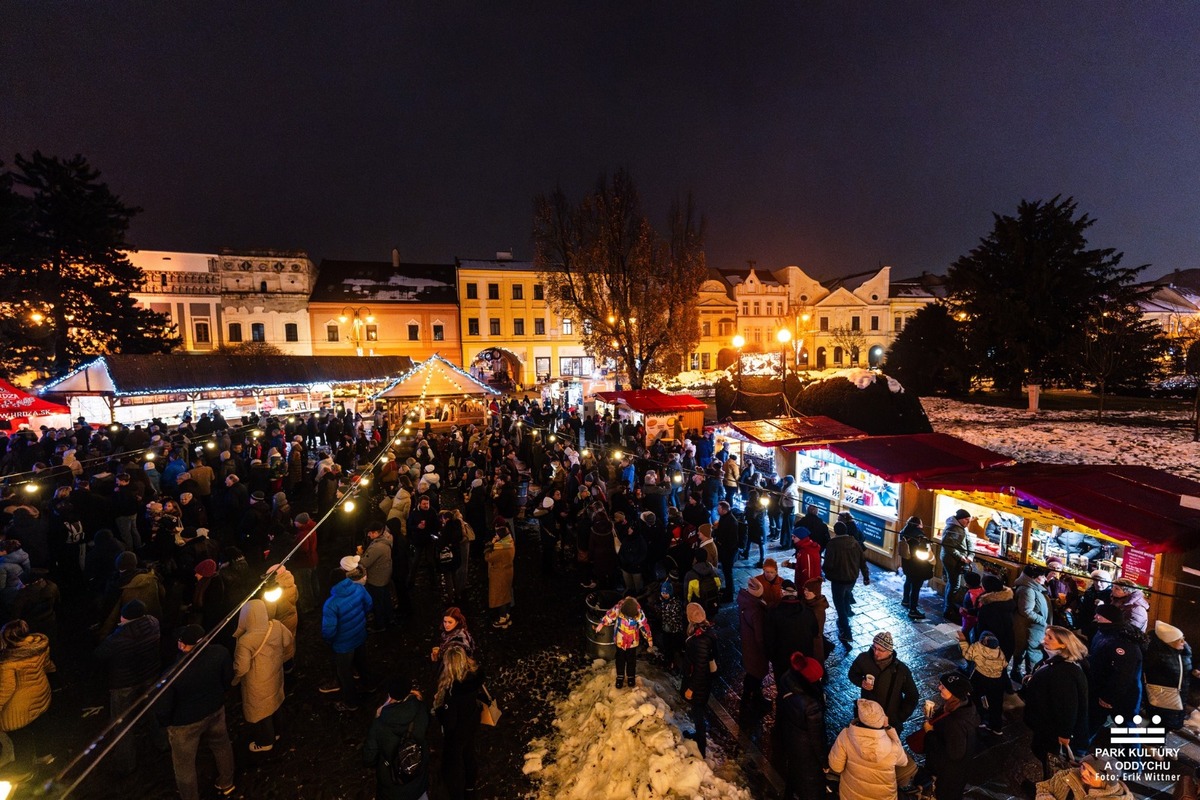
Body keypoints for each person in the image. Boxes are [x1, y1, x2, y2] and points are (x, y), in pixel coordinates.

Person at [156, 624, 237, 800]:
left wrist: (165, 722)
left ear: (182, 644)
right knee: (222, 746)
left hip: (185, 724)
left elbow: (164, 706)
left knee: (184, 765)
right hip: (215, 710)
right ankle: (227, 782)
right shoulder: (220, 652)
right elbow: (228, 678)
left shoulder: (174, 672)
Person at [94, 599, 163, 775]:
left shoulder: (118, 638)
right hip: (150, 675)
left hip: (124, 683)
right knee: (153, 711)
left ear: (127, 617)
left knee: (122, 722)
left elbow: (99, 655)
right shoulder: (153, 623)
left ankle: (126, 763)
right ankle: (162, 742)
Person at [1022, 626, 1090, 778]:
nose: (1044, 639)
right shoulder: (1055, 661)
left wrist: (1064, 733)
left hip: (1052, 729)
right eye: (1046, 635)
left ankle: (1052, 785)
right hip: (1045, 723)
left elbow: (1067, 706)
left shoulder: (1064, 673)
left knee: (1051, 760)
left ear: (1063, 644)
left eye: (1050, 637)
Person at [233, 598, 293, 752]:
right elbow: (288, 640)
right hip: (275, 674)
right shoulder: (276, 626)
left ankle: (265, 741)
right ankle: (278, 731)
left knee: (261, 712)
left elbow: (242, 668)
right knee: (275, 702)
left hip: (257, 682)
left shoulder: (246, 641)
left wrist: (234, 677)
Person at [363, 675, 432, 800]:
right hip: (418, 777)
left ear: (390, 694)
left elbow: (369, 757)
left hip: (392, 785)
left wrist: (378, 716)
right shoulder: (421, 709)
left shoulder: (380, 724)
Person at [828, 698, 908, 800]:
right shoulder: (893, 747)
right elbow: (903, 762)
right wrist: (889, 729)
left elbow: (836, 767)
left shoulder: (846, 736)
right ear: (883, 719)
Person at [1087, 603, 1145, 743]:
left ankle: (1134, 757)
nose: (1095, 616)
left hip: (1122, 696)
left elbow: (1122, 675)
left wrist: (1108, 697)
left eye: (1099, 614)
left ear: (1108, 618)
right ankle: (1079, 750)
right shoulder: (1104, 632)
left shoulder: (1122, 642)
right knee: (1093, 721)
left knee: (1126, 727)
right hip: (1101, 689)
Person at [0, 620, 51, 776]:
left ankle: (24, 768)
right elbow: (47, 665)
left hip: (20, 705)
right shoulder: (39, 646)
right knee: (36, 725)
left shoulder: (8, 662)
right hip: (41, 693)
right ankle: (45, 755)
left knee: (19, 732)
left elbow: (6, 689)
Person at [774, 653, 827, 800]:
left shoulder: (787, 679)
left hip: (791, 739)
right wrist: (824, 762)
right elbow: (817, 738)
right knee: (810, 787)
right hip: (806, 750)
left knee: (793, 774)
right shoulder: (811, 706)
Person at [434, 645, 485, 800]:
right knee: (469, 754)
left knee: (452, 765)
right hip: (472, 721)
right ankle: (470, 788)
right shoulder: (474, 677)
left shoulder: (452, 692)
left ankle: (457, 795)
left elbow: (449, 722)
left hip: (457, 732)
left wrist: (438, 710)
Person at [321, 565, 373, 712]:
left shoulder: (331, 604)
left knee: (344, 673)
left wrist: (329, 640)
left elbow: (329, 630)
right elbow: (369, 604)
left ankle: (351, 702)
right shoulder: (358, 588)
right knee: (362, 663)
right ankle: (369, 685)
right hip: (360, 634)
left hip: (343, 644)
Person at [846, 632, 919, 732]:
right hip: (867, 716)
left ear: (890, 651)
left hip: (889, 721)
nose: (876, 653)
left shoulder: (901, 670)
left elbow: (912, 695)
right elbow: (852, 674)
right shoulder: (863, 659)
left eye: (880, 650)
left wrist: (900, 717)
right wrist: (861, 682)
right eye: (874, 647)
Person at [923, 672, 979, 800]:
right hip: (955, 772)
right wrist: (933, 716)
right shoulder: (961, 704)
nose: (939, 688)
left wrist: (930, 733)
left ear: (954, 693)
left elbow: (954, 754)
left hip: (949, 775)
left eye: (943, 687)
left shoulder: (955, 723)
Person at [682, 602, 717, 757]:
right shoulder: (707, 631)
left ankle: (701, 746)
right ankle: (698, 735)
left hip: (699, 684)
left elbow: (700, 669)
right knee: (698, 710)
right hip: (704, 681)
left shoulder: (698, 640)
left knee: (698, 713)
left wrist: (691, 688)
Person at [1144, 620, 1194, 730]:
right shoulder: (1156, 656)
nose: (1184, 642)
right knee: (1161, 724)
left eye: (1183, 638)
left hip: (1178, 696)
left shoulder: (1183, 653)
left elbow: (1184, 670)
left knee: (1167, 724)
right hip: (1163, 696)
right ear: (1169, 642)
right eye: (1179, 639)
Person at [822, 520, 867, 643]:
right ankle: (846, 616)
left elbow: (828, 564)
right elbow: (862, 561)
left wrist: (826, 573)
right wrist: (866, 576)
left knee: (839, 605)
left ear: (835, 531)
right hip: (852, 579)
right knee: (846, 597)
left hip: (838, 580)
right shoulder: (855, 543)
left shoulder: (832, 544)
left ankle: (846, 632)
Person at [595, 596, 654, 689]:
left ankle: (631, 676)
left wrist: (649, 638)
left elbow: (644, 625)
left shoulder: (639, 613)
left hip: (632, 642)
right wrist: (602, 623)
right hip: (620, 640)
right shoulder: (618, 608)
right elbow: (609, 616)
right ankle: (620, 676)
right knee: (620, 659)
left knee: (631, 660)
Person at [958, 630, 1008, 735]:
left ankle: (981, 720)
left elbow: (967, 654)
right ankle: (996, 727)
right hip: (996, 681)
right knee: (996, 703)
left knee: (975, 698)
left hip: (980, 678)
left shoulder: (978, 647)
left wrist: (962, 641)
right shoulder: (999, 651)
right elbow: (1004, 664)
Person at [1013, 565, 1052, 683]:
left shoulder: (1033, 587)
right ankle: (1030, 679)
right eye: (1042, 576)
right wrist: (1043, 621)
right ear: (1034, 577)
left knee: (1025, 651)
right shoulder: (1028, 590)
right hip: (1030, 627)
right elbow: (1026, 611)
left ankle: (1020, 674)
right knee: (1033, 653)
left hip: (1032, 627)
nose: (1044, 578)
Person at [1034, 753, 1133, 800]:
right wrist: (1045, 797)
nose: (1083, 773)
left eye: (1091, 773)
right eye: (1083, 767)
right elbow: (1043, 786)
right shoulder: (1068, 775)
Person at [736, 578, 769, 706]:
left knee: (751, 672)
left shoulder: (745, 601)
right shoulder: (756, 611)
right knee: (756, 673)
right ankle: (753, 698)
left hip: (748, 643)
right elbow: (760, 636)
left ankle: (750, 696)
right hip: (755, 648)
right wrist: (766, 649)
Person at [360, 520, 395, 632]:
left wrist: (360, 555)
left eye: (370, 532)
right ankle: (390, 618)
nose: (368, 535)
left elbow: (365, 563)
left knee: (377, 603)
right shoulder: (386, 540)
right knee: (386, 599)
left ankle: (380, 625)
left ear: (376, 533)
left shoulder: (377, 547)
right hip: (385, 576)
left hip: (376, 579)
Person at [974, 574, 1016, 664]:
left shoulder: (989, 608)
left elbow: (983, 628)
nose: (981, 587)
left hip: (993, 645)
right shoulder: (1007, 601)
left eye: (983, 585)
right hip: (1008, 642)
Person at [899, 516, 935, 619]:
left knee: (908, 581)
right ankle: (913, 610)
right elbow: (924, 553)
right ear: (919, 525)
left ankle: (906, 600)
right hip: (917, 566)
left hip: (907, 564)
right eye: (921, 523)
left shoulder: (904, 532)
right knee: (916, 588)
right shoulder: (919, 537)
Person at [940, 509, 973, 621]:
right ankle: (948, 610)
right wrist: (960, 557)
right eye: (966, 519)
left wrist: (971, 555)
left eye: (969, 520)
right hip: (951, 560)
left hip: (958, 559)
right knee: (954, 585)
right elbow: (948, 546)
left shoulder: (963, 528)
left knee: (952, 583)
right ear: (960, 519)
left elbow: (969, 542)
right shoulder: (952, 528)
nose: (968, 522)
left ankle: (948, 606)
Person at [484, 523, 516, 629]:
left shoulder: (500, 549)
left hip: (499, 574)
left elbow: (488, 557)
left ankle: (502, 619)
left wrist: (491, 545)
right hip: (508, 572)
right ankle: (507, 615)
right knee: (506, 595)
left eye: (497, 535)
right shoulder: (510, 543)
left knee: (500, 598)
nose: (495, 536)